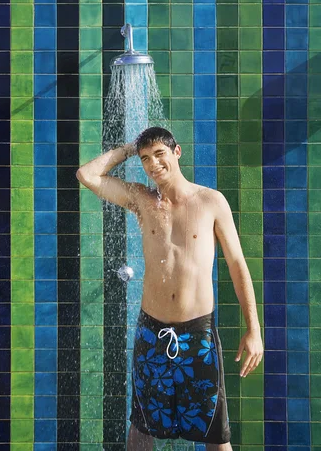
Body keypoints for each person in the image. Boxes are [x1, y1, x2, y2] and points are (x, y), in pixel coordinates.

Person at [76, 127, 263, 450]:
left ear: (177, 153)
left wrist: (254, 329)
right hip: (151, 331)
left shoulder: (211, 201)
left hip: (198, 334)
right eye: (146, 158)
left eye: (160, 154)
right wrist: (128, 150)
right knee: (142, 427)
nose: (153, 164)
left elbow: (237, 265)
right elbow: (87, 174)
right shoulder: (142, 200)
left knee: (215, 433)